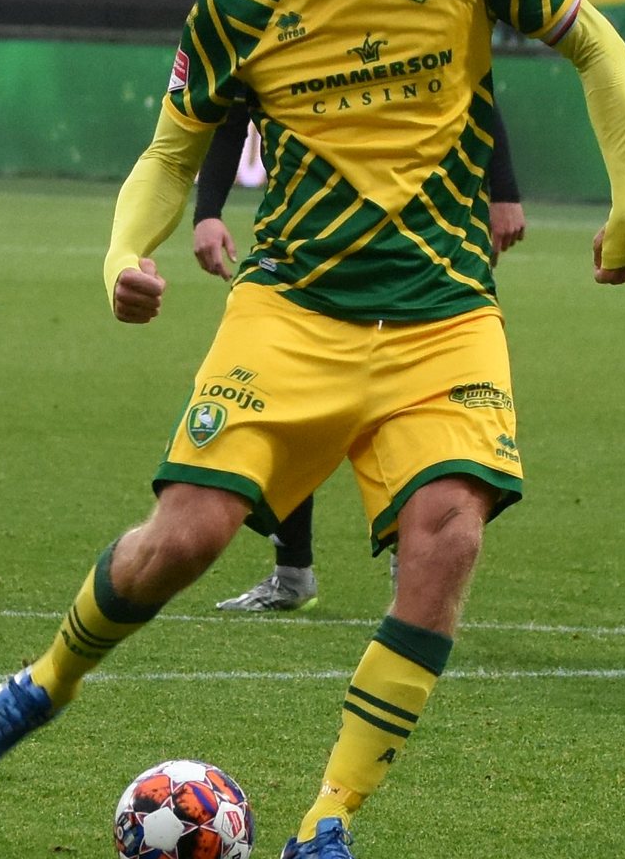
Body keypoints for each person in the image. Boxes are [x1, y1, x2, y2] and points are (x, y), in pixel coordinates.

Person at [0, 0, 625, 859]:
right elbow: (172, 152)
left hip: (444, 315)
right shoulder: (237, 3)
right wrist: (125, 254)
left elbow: (597, 44)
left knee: (448, 534)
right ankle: (44, 680)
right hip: (291, 312)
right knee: (185, 537)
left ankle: (326, 822)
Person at [195, 100, 531, 613]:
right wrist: (207, 212)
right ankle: (293, 573)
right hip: (309, 256)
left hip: (417, 252)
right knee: (284, 409)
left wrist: (503, 191)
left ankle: (408, 560)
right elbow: (232, 113)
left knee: (404, 408)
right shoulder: (279, 30)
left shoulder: (421, 30)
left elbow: (477, 92)